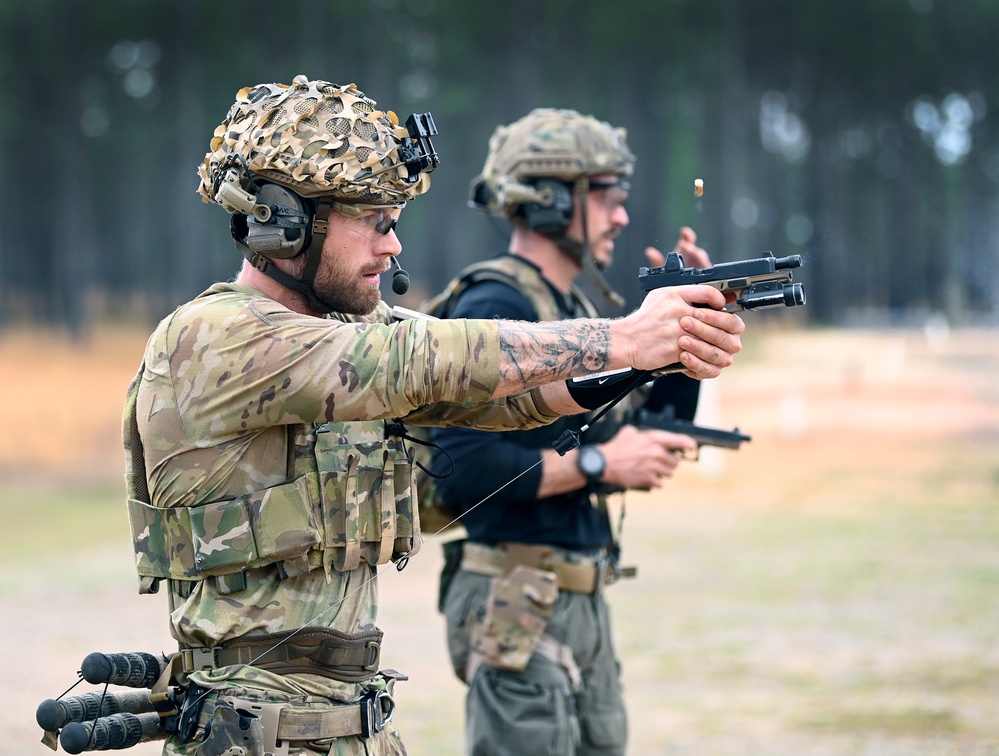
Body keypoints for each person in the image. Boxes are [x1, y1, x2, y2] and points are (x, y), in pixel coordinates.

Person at [121, 78, 744, 756]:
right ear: (284, 220)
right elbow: (421, 356)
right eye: (375, 221)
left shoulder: (344, 331)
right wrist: (622, 337)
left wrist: (656, 354)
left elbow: (500, 399)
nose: (392, 248)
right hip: (255, 733)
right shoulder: (216, 337)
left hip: (346, 724)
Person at [429, 108, 716, 756]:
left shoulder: (574, 311)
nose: (620, 216)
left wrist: (683, 340)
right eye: (607, 196)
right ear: (553, 201)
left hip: (576, 594)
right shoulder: (494, 307)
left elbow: (634, 431)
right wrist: (597, 467)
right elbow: (460, 469)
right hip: (515, 593)